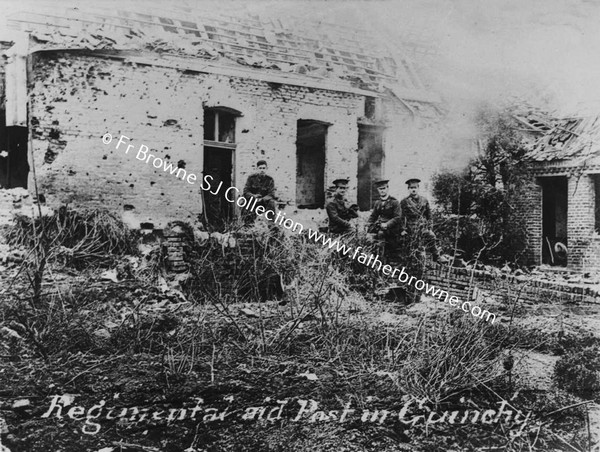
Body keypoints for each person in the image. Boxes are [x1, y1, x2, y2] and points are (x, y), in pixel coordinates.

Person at [400, 178, 441, 262]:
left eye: (415, 187)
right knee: (415, 247)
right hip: (411, 228)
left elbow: (429, 215)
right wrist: (403, 229)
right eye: (411, 188)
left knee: (432, 236)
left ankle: (436, 256)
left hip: (422, 227)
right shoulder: (404, 202)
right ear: (408, 189)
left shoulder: (424, 200)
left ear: (418, 188)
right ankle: (413, 262)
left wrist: (430, 225)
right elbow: (401, 217)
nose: (413, 189)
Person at [367, 179, 402, 261]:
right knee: (369, 238)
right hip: (380, 227)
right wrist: (368, 224)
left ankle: (381, 260)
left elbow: (397, 217)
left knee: (381, 235)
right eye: (380, 189)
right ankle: (373, 259)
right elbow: (373, 216)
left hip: (392, 228)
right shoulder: (377, 203)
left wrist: (387, 224)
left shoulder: (394, 202)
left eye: (384, 188)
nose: (382, 191)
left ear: (387, 188)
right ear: (378, 190)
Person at [242, 160, 277, 224]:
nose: (262, 170)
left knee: (272, 202)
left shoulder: (270, 180)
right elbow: (246, 191)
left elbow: (271, 194)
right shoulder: (251, 178)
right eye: (260, 168)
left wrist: (262, 199)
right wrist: (254, 196)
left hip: (264, 202)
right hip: (253, 201)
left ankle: (271, 225)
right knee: (246, 204)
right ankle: (248, 225)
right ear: (257, 169)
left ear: (266, 169)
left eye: (264, 168)